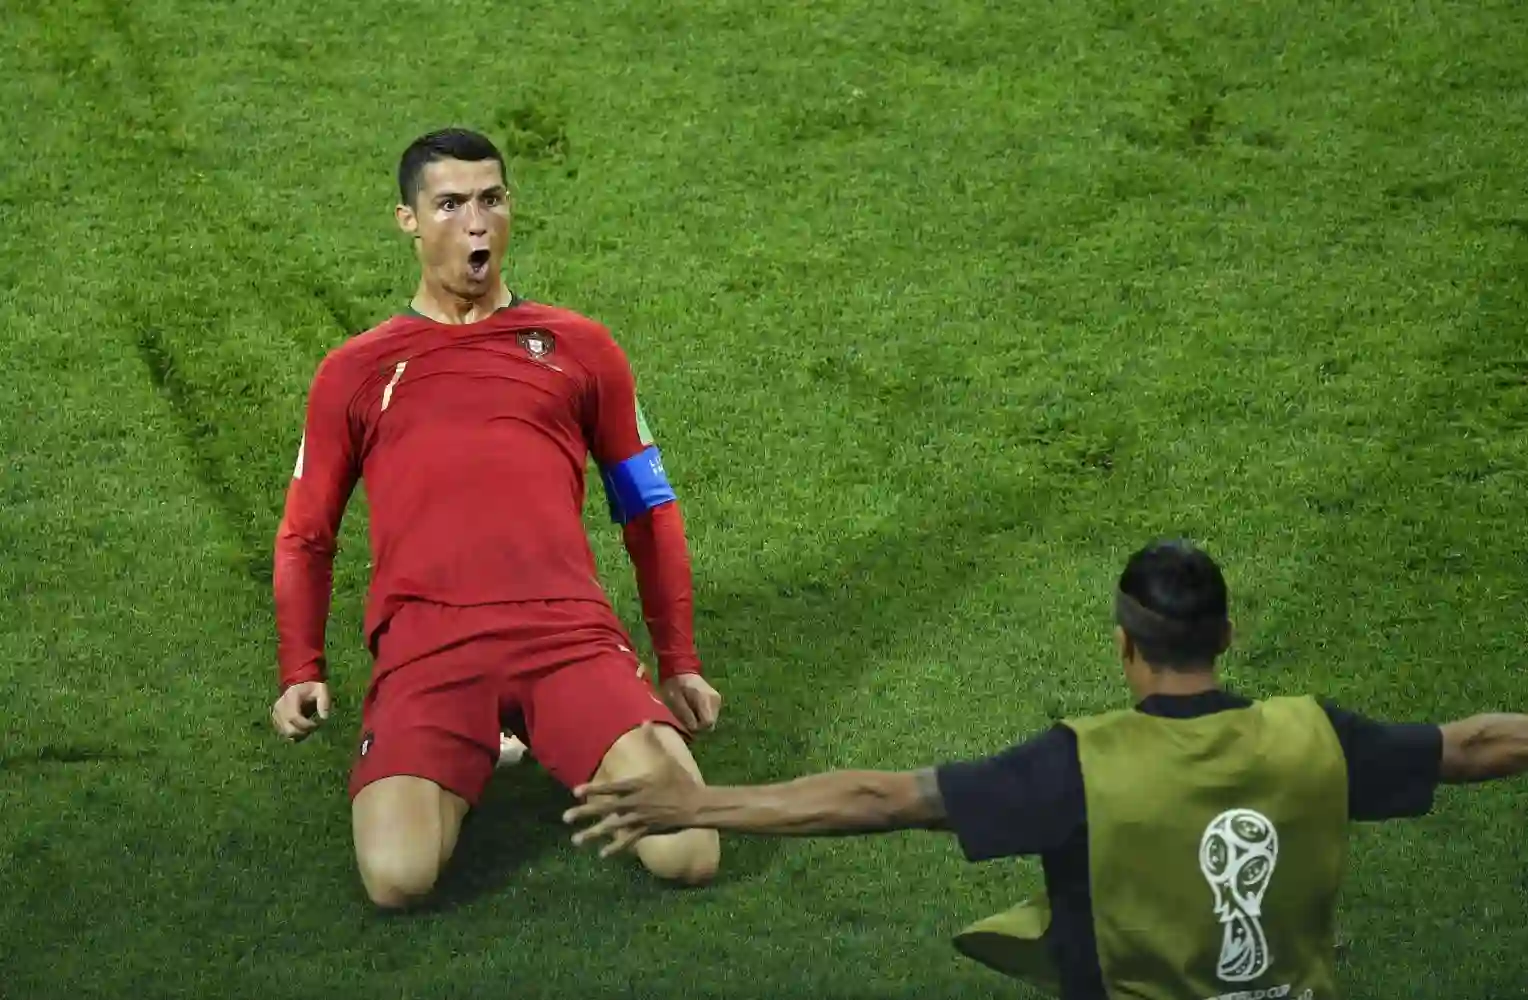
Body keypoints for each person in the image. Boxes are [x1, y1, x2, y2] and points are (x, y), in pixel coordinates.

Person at [563, 539, 1528, 999]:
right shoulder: (1316, 735)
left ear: (1124, 646)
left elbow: (877, 799)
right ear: (1227, 636)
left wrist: (698, 804)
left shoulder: (1083, 766)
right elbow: (1475, 745)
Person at [269, 127, 723, 909]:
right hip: (429, 645)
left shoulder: (582, 349)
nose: (476, 223)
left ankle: (535, 733)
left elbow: (648, 509)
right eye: (450, 205)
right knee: (397, 878)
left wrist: (678, 659)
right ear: (408, 221)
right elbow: (306, 533)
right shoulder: (355, 371)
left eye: (491, 199)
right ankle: (482, 744)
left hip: (565, 634)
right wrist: (300, 670)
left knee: (690, 851)